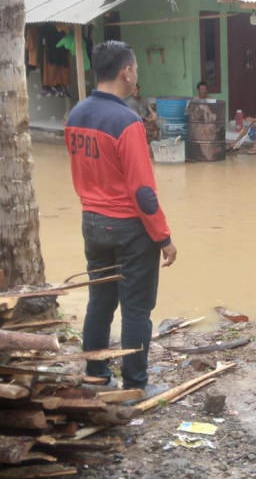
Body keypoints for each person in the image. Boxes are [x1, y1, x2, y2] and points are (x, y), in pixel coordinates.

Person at [64, 40, 177, 394]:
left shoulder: (74, 116)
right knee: (136, 310)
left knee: (100, 302)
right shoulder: (127, 122)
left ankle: (95, 373)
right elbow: (143, 193)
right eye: (136, 70)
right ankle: (135, 384)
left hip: (92, 222)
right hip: (129, 228)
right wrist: (164, 238)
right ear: (126, 71)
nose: (136, 76)